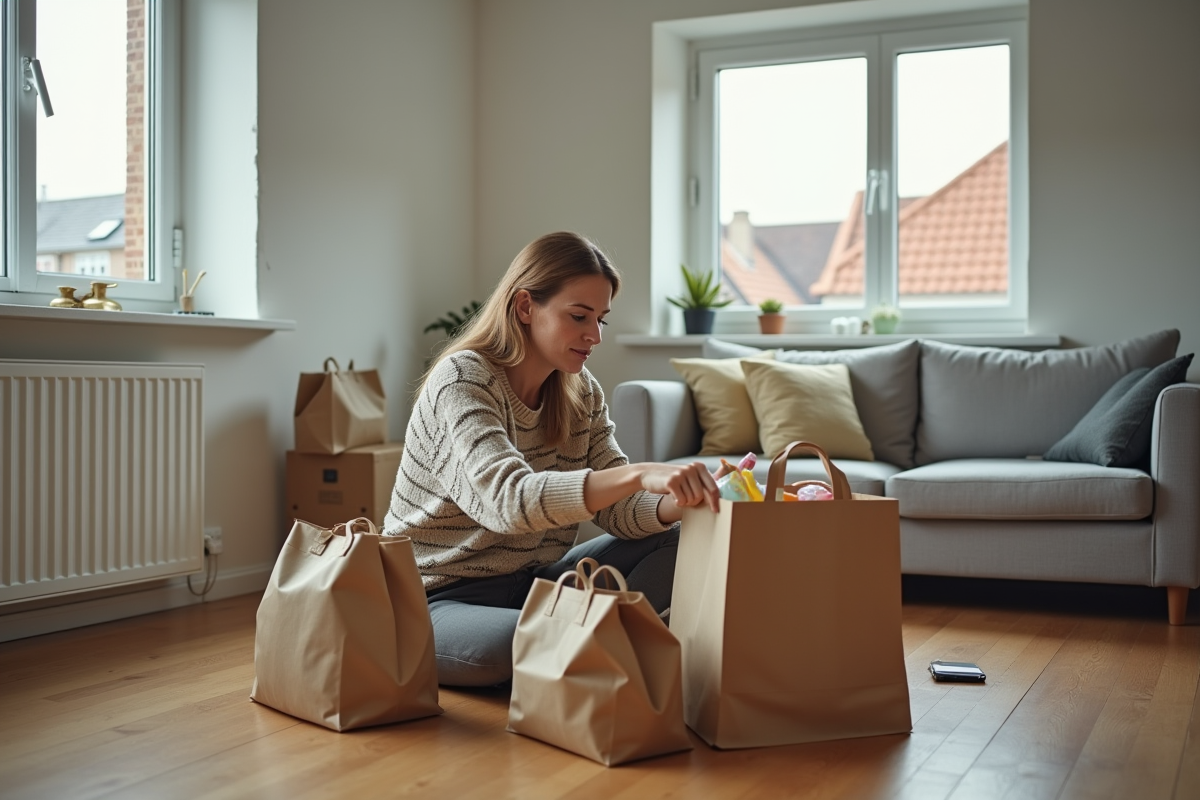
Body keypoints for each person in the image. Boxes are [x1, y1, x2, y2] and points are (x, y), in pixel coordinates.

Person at [383, 231, 720, 686]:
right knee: (519, 644)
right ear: (525, 307)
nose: (595, 335)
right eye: (579, 316)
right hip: (437, 598)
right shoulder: (462, 379)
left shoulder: (580, 392)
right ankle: (599, 645)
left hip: (533, 584)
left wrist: (686, 497)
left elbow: (621, 511)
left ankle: (586, 644)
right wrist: (641, 473)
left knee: (680, 538)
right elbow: (507, 501)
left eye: (601, 319)